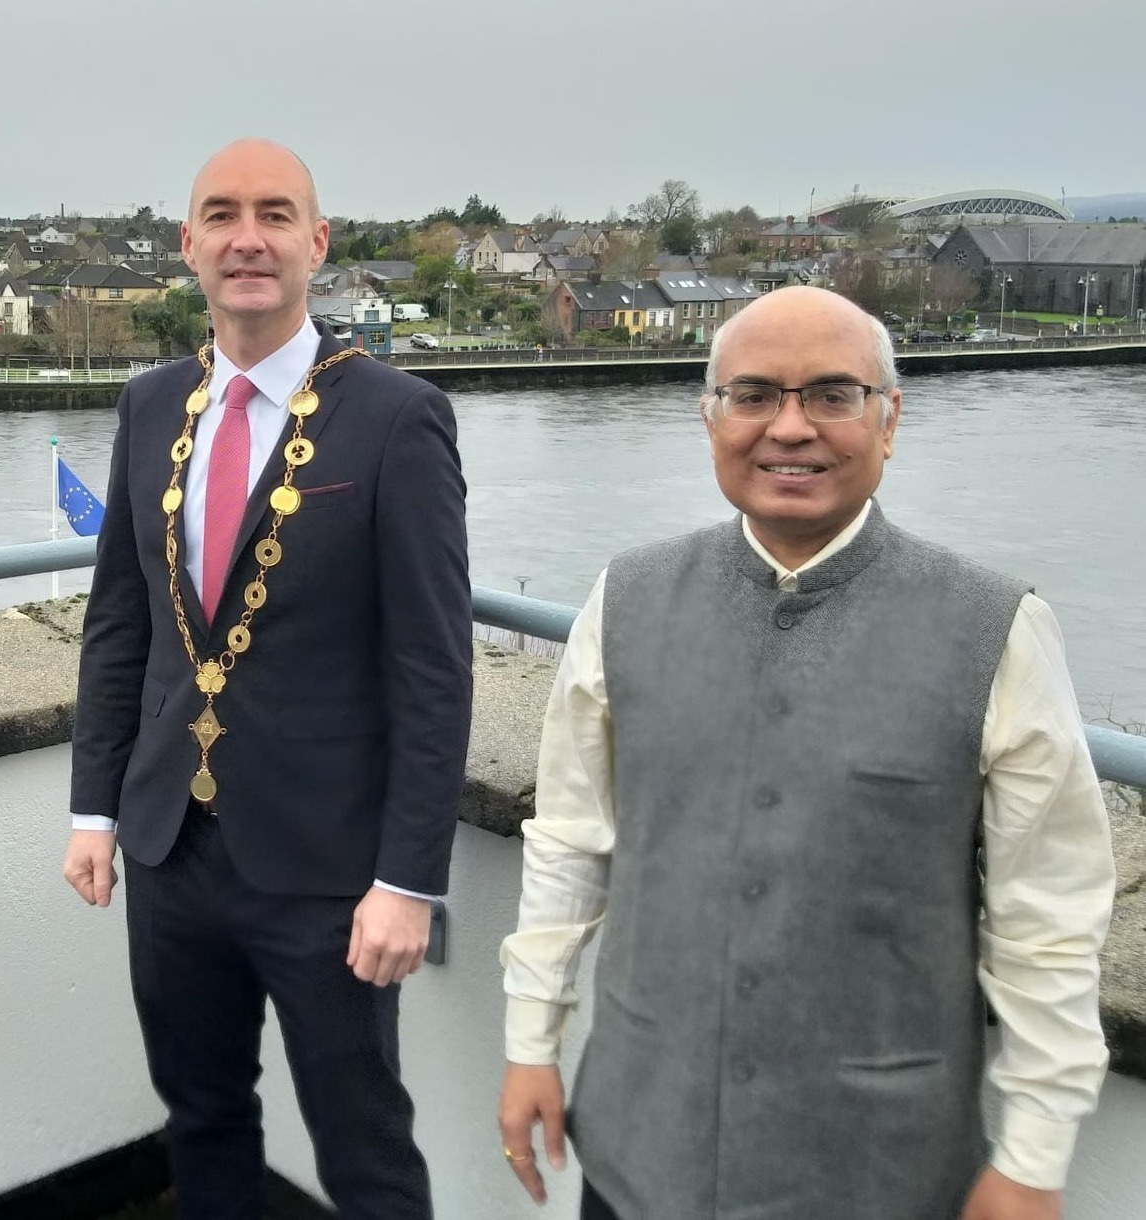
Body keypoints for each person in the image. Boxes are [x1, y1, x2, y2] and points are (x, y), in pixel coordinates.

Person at [496, 286, 1114, 1220]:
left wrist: (1033, 1153)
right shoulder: (624, 600)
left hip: (879, 1169)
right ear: (709, 417)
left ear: (890, 418)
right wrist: (531, 1043)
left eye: (832, 394)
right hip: (639, 1145)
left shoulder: (999, 629)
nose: (789, 428)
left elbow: (1050, 916)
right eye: (753, 396)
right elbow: (573, 841)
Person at [63, 139, 473, 1218]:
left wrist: (407, 878)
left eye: (277, 214)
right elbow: (120, 624)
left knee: (362, 1142)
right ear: (188, 244)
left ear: (316, 242)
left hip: (327, 867)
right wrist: (93, 806)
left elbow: (432, 665)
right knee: (198, 1115)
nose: (250, 237)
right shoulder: (148, 405)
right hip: (168, 849)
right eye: (223, 214)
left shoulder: (396, 416)